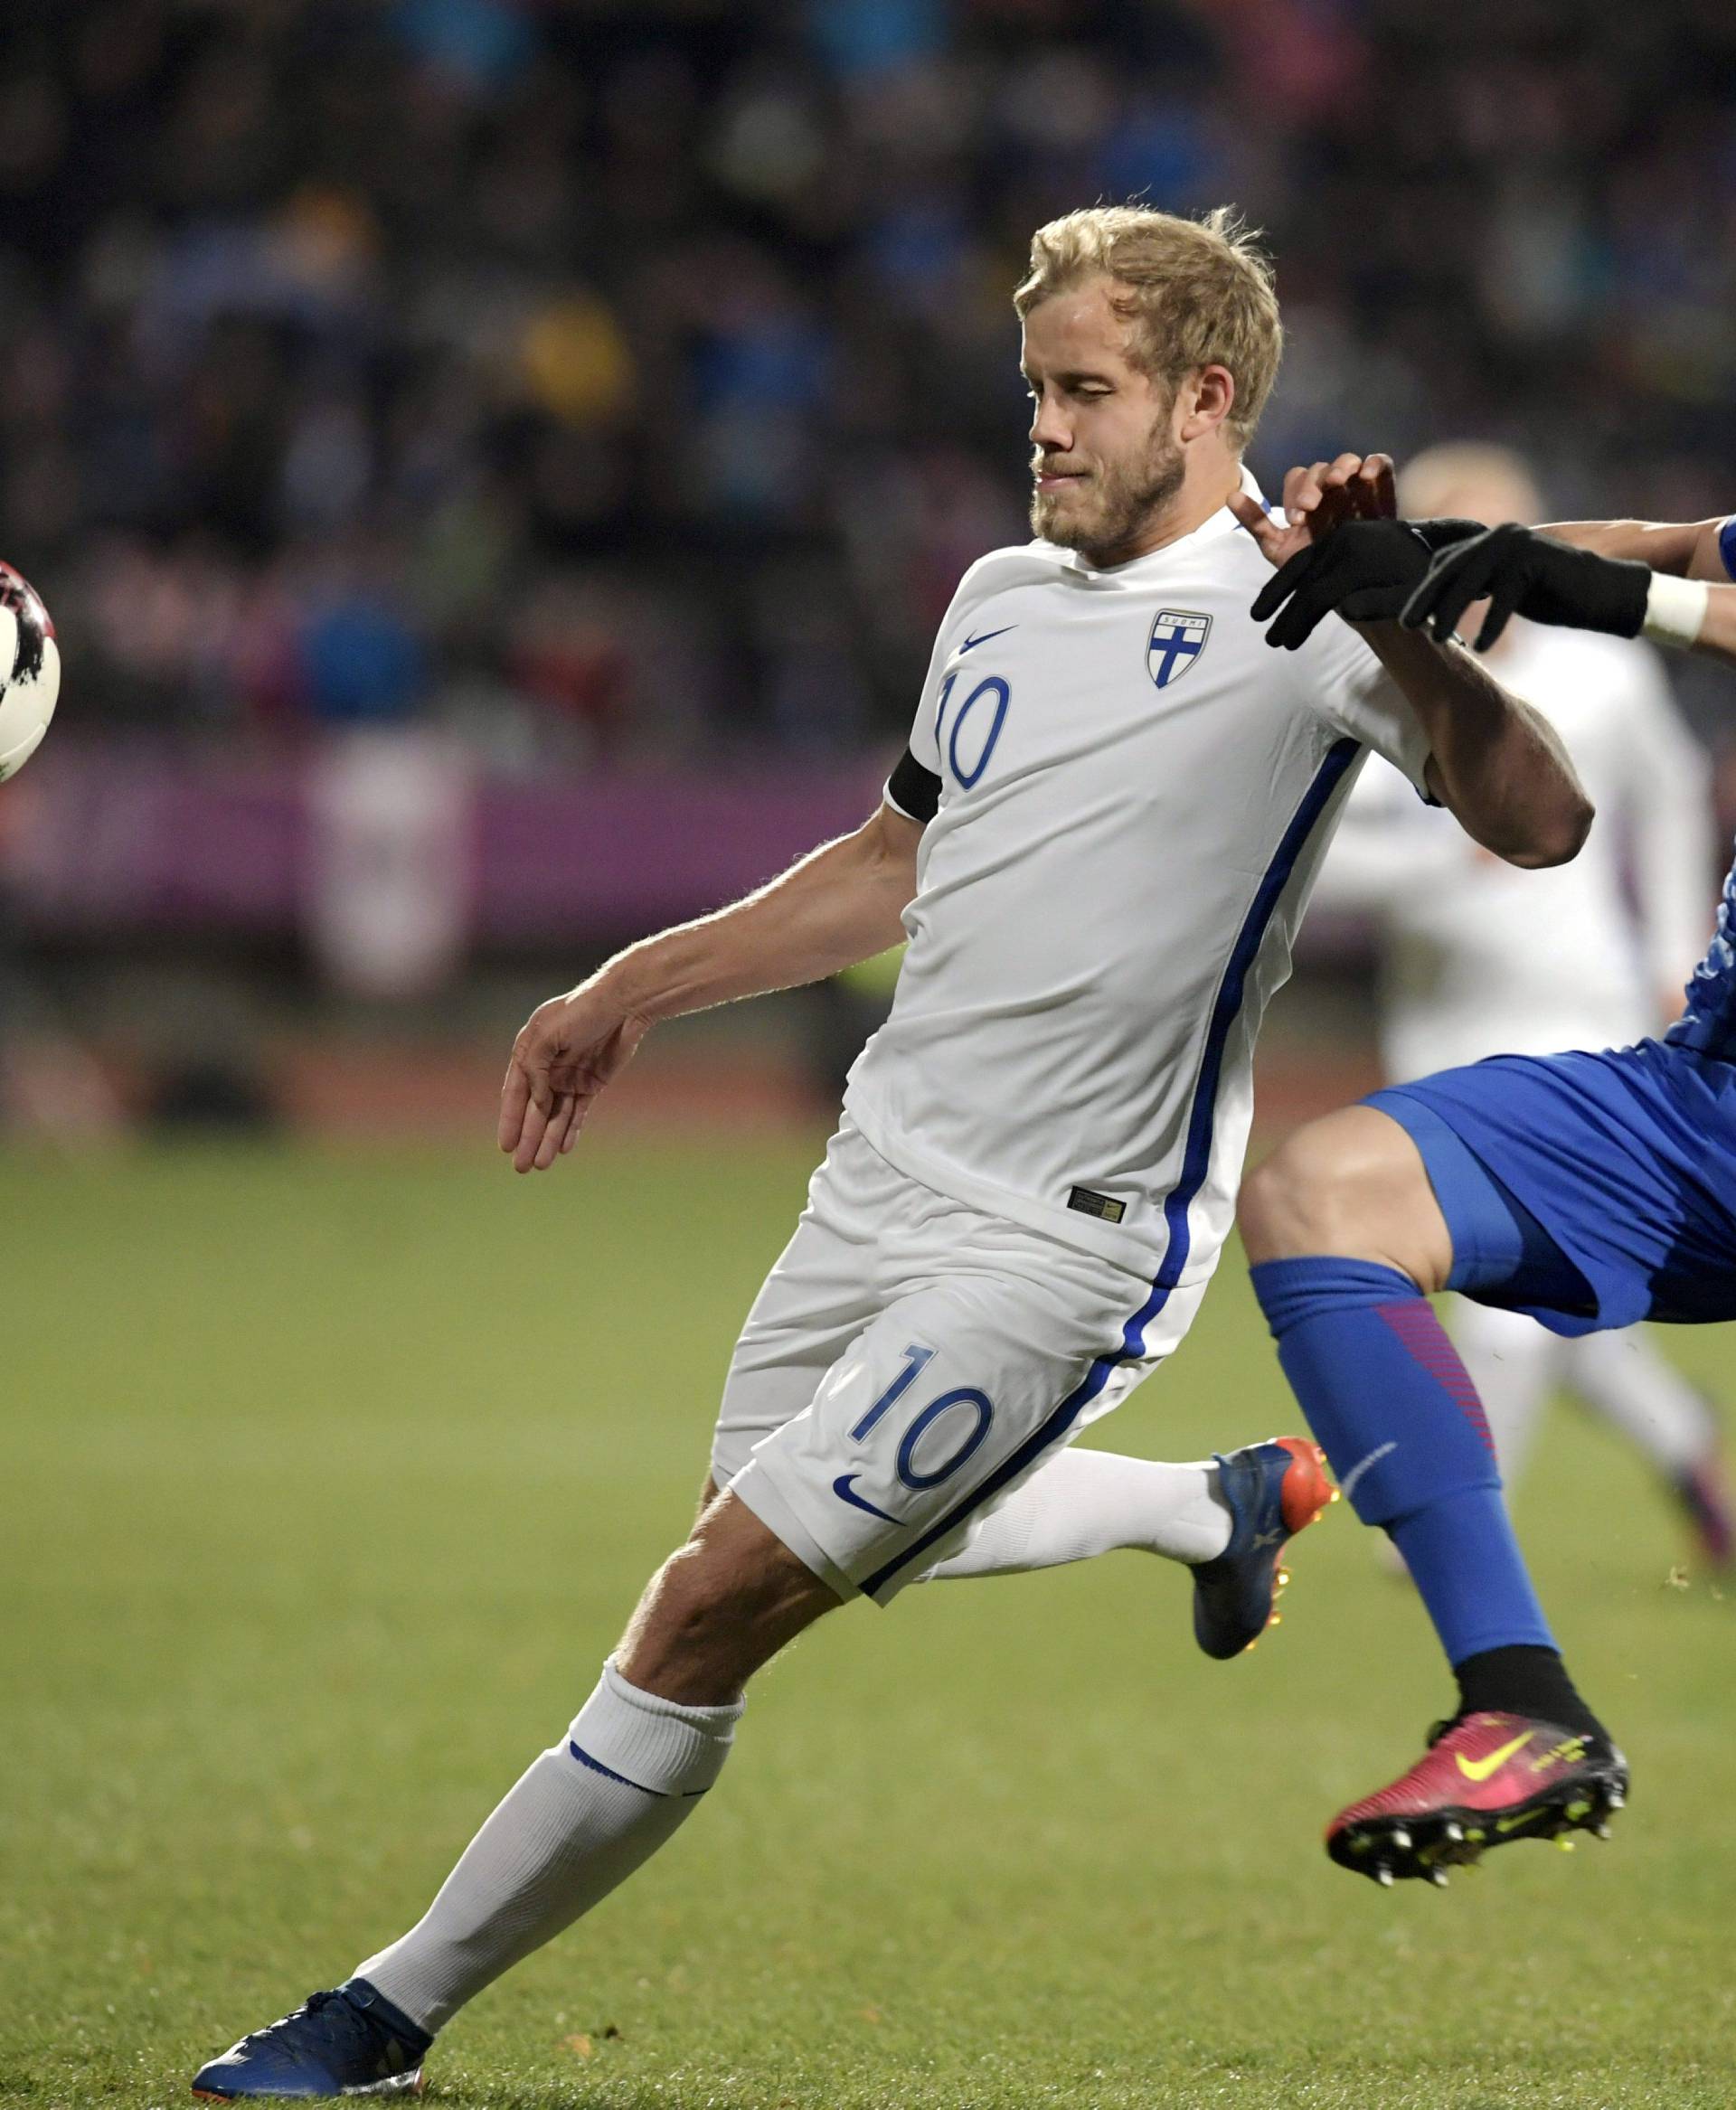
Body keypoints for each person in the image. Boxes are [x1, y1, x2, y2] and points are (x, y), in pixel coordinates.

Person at [193, 210, 1590, 2099]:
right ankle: (1211, 1508)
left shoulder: (1305, 614)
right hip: (882, 1177)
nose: (1045, 428)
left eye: (1085, 392)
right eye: (1036, 390)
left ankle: (378, 2017)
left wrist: (1393, 627)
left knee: (715, 1605)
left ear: (1207, 397)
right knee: (779, 1539)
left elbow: (1542, 816)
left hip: (1070, 1234)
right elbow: (890, 862)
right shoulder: (1000, 596)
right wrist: (630, 986)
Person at [1232, 470, 1736, 1888]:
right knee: (1324, 1194)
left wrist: (1588, 592)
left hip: (1583, 999)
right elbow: (1673, 543)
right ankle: (1521, 1701)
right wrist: (1443, 555)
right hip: (1704, 1104)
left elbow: (1651, 588)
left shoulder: (1620, 668)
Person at [1310, 444, 1731, 1563]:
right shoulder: (1379, 672)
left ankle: (1447, 1522)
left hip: (1576, 995)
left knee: (1499, 1255)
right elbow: (1315, 859)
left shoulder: (1602, 675)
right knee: (1552, 1275)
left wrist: (1679, 942)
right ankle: (1694, 1450)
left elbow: (1677, 800)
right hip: (1438, 1005)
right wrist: (1440, 871)